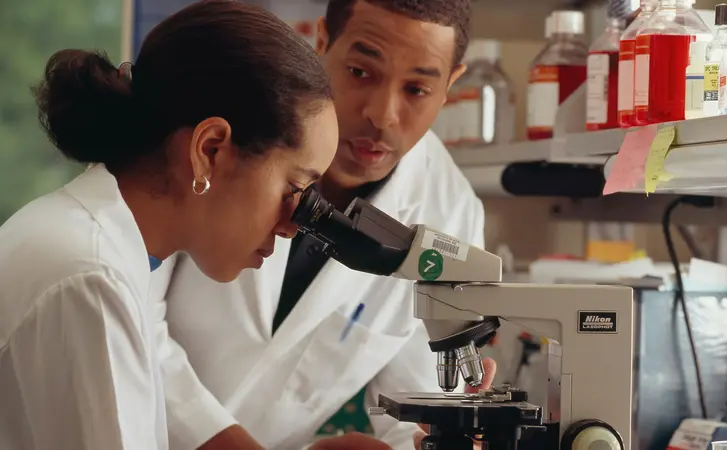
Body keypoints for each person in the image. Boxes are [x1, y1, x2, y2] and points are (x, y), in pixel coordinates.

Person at [150, 0, 490, 449]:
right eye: (361, 72)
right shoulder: (227, 133)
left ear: (450, 86)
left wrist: (441, 433)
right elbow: (128, 314)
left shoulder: (451, 214)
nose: (382, 114)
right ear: (322, 44)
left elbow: (415, 403)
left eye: (417, 90)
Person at [0, 1, 337, 448]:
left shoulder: (95, 243)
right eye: (294, 188)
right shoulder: (91, 276)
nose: (292, 226)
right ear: (210, 150)